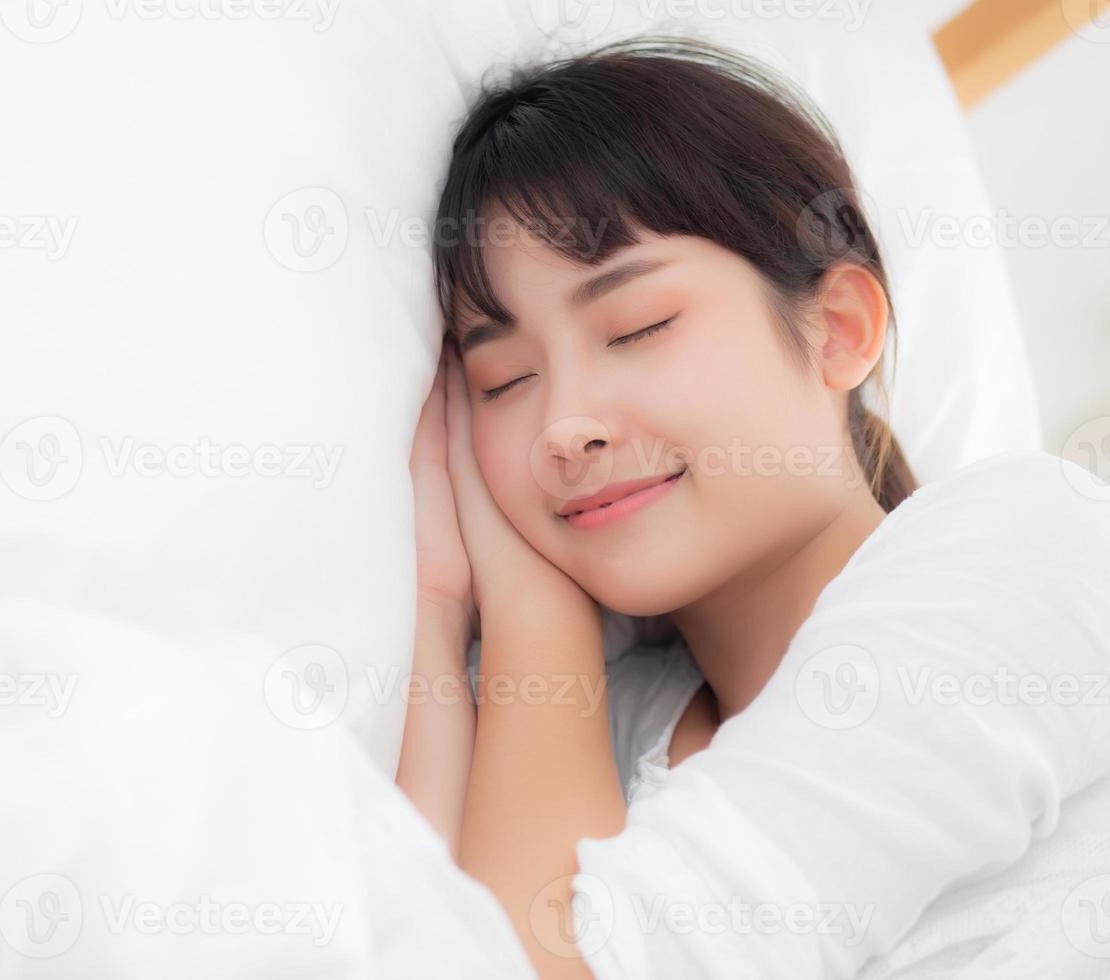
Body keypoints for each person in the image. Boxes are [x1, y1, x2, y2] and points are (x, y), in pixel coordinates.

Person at [397, 36, 1110, 978]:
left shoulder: (1028, 544)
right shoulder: (593, 741)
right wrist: (451, 606)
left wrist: (532, 612)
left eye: (637, 326)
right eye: (504, 378)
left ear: (838, 330)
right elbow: (403, 938)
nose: (563, 427)